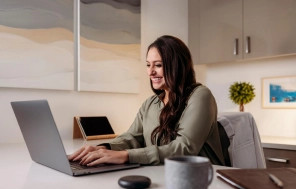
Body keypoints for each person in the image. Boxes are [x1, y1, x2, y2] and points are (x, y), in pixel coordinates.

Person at [68, 35, 225, 166]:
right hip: (163, 175)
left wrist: (125, 156)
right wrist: (103, 148)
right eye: (148, 65)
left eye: (158, 65)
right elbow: (132, 138)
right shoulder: (150, 103)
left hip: (204, 180)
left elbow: (184, 148)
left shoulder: (201, 96)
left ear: (177, 66)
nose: (150, 72)